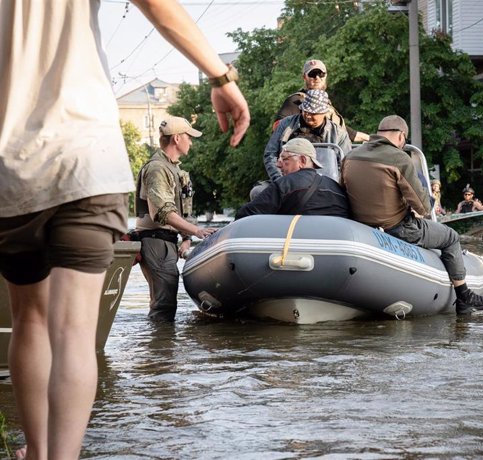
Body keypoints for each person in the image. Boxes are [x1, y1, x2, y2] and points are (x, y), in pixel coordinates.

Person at [0, 0, 250, 458]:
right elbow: (159, 7)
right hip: (87, 161)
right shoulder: (158, 169)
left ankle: (36, 452)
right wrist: (220, 77)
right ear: (175, 138)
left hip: (12, 166)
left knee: (29, 320)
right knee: (75, 330)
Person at [341, 115, 483, 314]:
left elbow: (342, 190)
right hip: (397, 229)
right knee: (451, 237)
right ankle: (464, 296)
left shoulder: (350, 156)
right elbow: (423, 207)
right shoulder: (398, 158)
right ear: (401, 136)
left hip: (360, 229)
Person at [134, 117, 218, 321]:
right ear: (177, 138)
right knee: (164, 304)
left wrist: (186, 237)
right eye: (189, 137)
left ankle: (163, 348)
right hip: (156, 241)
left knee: (167, 301)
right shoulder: (157, 169)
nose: (191, 142)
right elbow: (162, 211)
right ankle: (161, 350)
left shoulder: (173, 168)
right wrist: (195, 231)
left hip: (166, 242)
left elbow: (179, 209)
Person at [236, 138, 349, 219]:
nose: (278, 165)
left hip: (294, 246)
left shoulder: (286, 184)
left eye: (285, 160)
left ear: (303, 160)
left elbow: (247, 213)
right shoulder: (336, 189)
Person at [264, 89, 352, 183]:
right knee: (257, 192)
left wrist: (333, 184)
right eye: (305, 111)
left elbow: (347, 164)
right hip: (287, 180)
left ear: (324, 113)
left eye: (313, 113)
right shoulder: (285, 124)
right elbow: (270, 155)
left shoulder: (339, 134)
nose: (308, 115)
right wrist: (279, 180)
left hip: (324, 183)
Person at [274, 59, 369, 143]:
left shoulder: (325, 102)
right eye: (312, 74)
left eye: (321, 74)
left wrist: (369, 138)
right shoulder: (296, 100)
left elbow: (341, 130)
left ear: (326, 76)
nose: (317, 78)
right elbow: (277, 129)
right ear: (304, 77)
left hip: (330, 155)